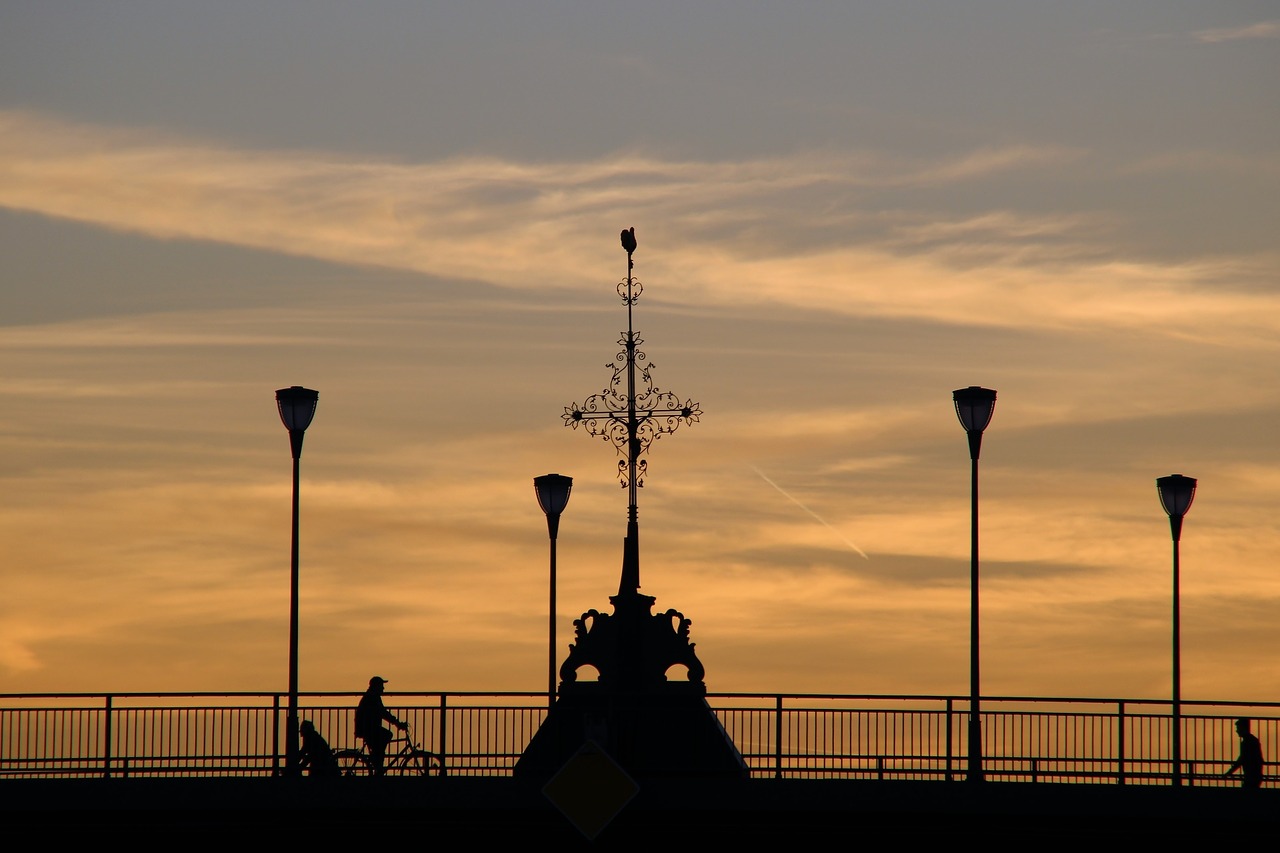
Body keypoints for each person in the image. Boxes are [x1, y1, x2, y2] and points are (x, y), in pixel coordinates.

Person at [355, 675, 406, 775]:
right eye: (381, 685)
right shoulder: (372, 697)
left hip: (368, 727)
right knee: (387, 735)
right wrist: (397, 723)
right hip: (368, 728)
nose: (383, 688)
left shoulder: (373, 696)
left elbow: (382, 712)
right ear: (376, 686)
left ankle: (377, 760)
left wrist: (396, 723)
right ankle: (377, 760)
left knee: (383, 738)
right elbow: (382, 712)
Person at [1224, 717, 1264, 789]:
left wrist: (1229, 773)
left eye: (1238, 728)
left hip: (1251, 776)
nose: (1237, 730)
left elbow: (1242, 759)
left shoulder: (1247, 742)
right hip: (1254, 775)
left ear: (1243, 728)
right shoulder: (1252, 740)